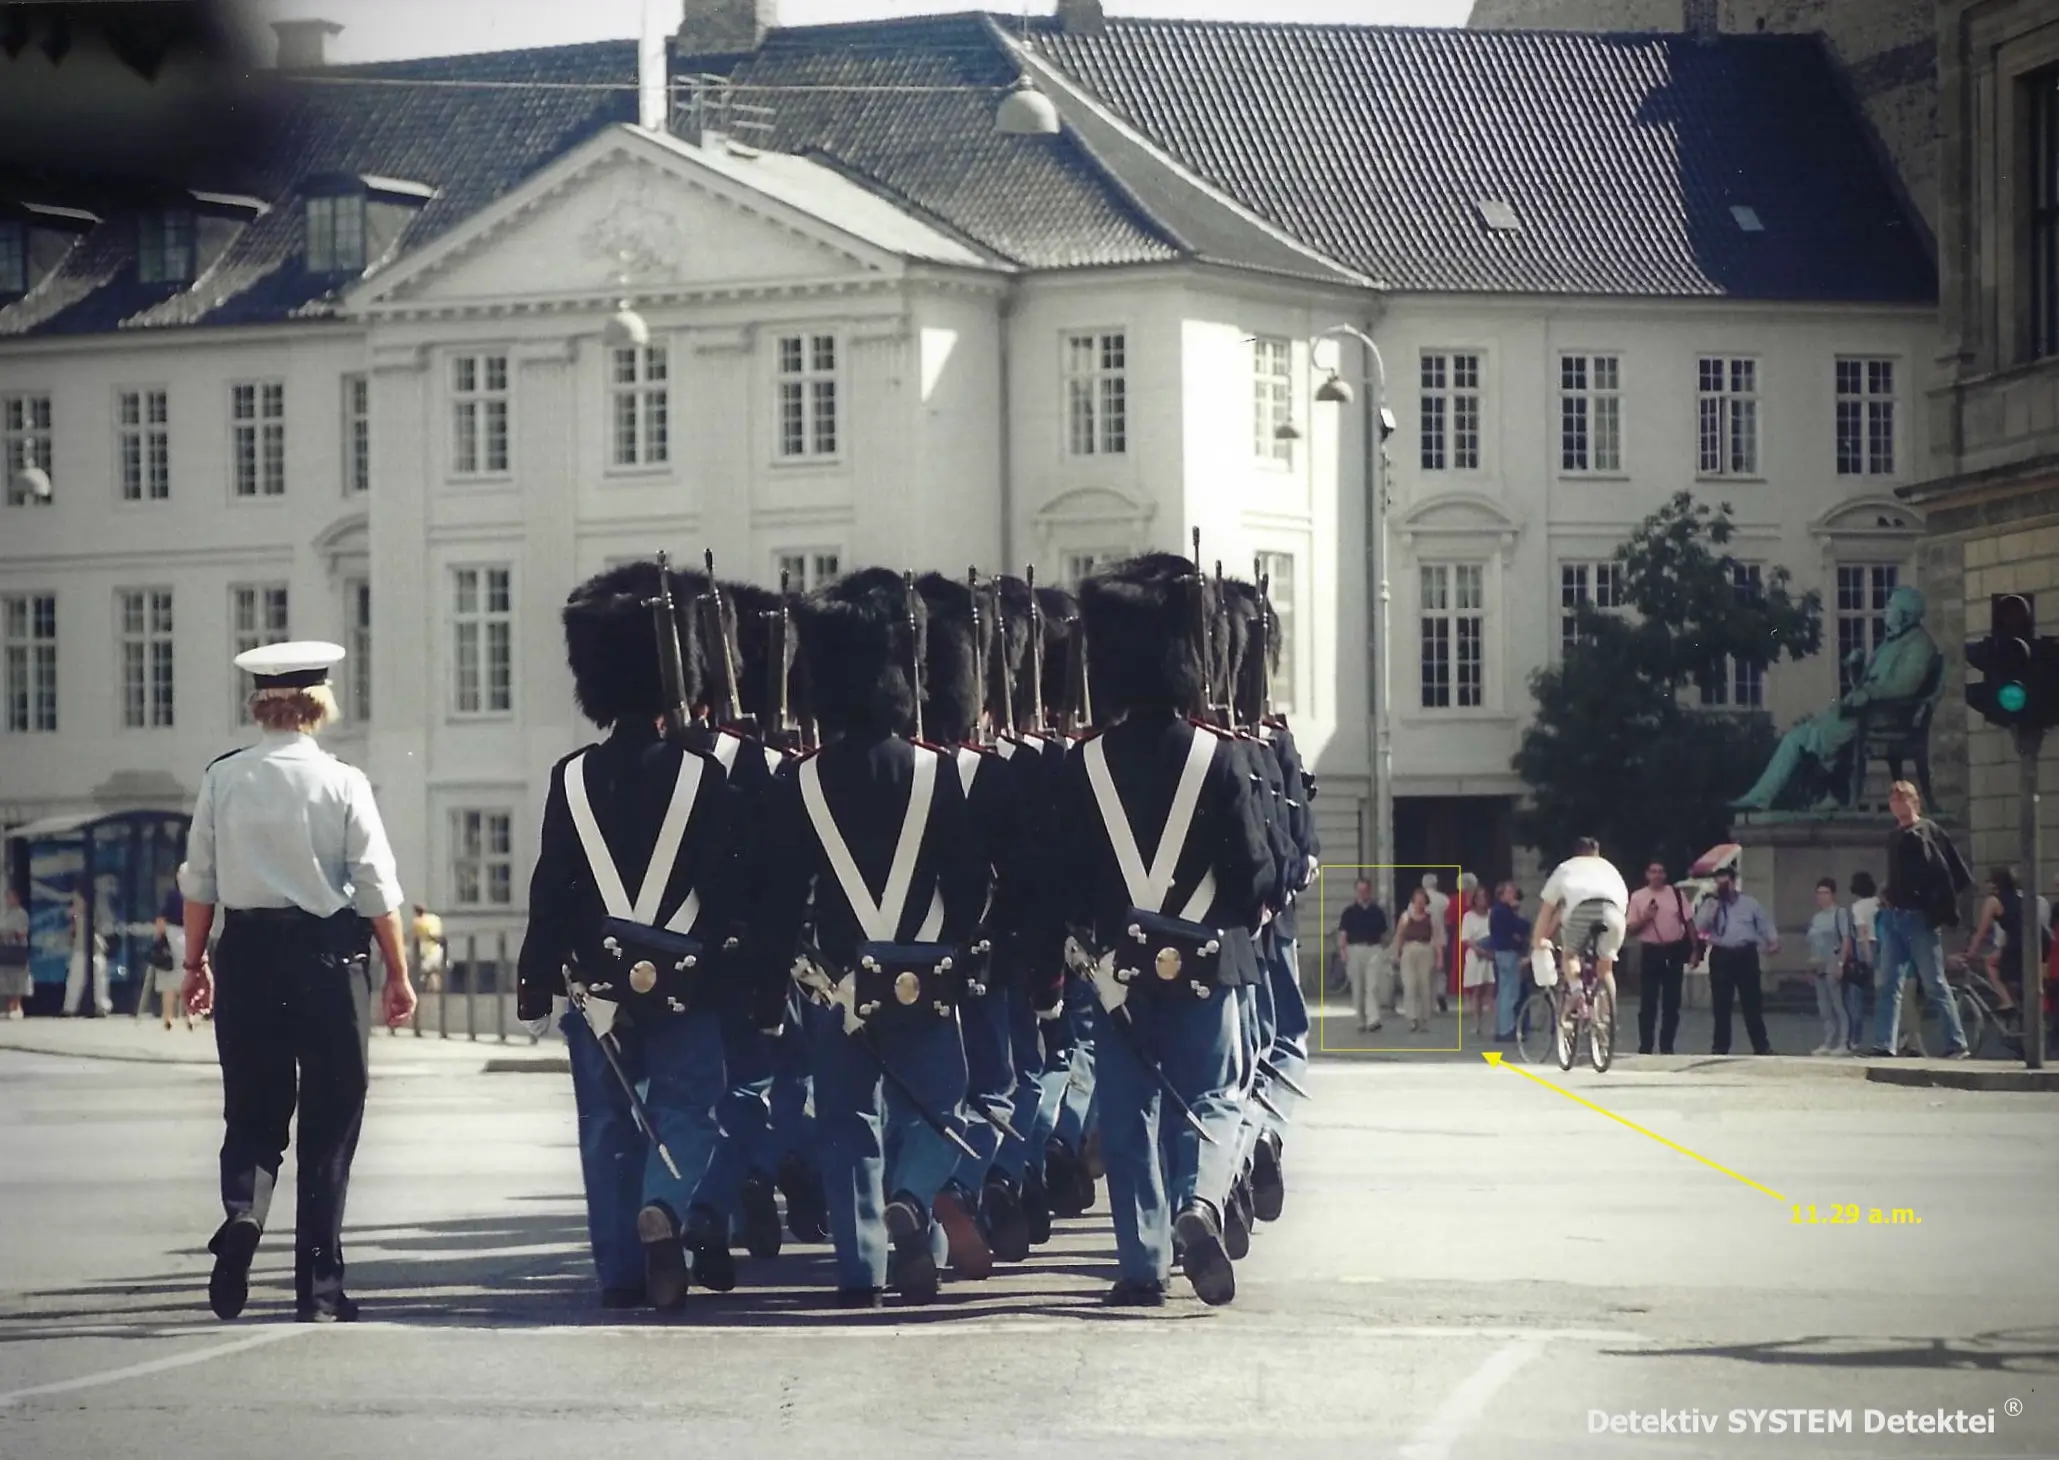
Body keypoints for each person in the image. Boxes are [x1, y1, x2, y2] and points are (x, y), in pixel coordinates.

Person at [754, 569, 990, 1307]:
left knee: (847, 1122)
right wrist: (953, 942)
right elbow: (969, 880)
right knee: (943, 1102)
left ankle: (861, 1268)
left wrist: (772, 981)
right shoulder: (935, 772)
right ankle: (914, 1199)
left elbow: (781, 893)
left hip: (837, 975)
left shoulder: (801, 781)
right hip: (924, 968)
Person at [516, 562, 739, 1312]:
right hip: (685, 976)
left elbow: (552, 885)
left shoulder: (571, 776)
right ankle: (665, 1206)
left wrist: (534, 974)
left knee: (606, 1121)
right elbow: (722, 888)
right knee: (688, 1105)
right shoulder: (702, 775)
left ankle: (618, 1270)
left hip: (596, 981)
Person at [1055, 553, 1271, 1308]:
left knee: (1128, 1113)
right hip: (1204, 958)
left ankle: (1140, 1263)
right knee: (1210, 1096)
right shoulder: (1221, 756)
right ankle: (1200, 1204)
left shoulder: (1083, 764)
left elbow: (1072, 876)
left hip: (1117, 967)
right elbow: (1249, 872)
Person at [179, 641, 414, 1324]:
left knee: (252, 1108)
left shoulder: (223, 778)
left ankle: (245, 1213)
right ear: (321, 703)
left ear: (259, 704)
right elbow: (376, 888)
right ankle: (319, 1287)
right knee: (332, 1118)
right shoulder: (343, 781)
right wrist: (397, 973)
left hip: (248, 951)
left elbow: (201, 883)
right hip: (327, 958)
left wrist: (195, 966)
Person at [1861, 781, 1973, 1059]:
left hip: (1919, 918)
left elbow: (1954, 874)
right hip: (1894, 916)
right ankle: (1884, 1044)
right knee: (1888, 984)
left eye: (1903, 799)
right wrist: (1888, 891)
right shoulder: (1894, 835)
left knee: (1934, 982)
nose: (1897, 804)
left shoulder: (1929, 830)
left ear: (1915, 802)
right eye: (1894, 800)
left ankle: (1957, 1044)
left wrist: (1935, 907)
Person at [1692, 864, 1779, 1056]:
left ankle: (1761, 1045)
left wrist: (1772, 941)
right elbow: (1699, 927)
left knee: (1752, 1002)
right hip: (1721, 954)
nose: (1722, 888)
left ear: (1733, 883)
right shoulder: (1710, 903)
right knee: (1721, 1003)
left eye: (1726, 884)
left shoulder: (1749, 903)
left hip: (1745, 954)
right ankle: (1720, 1046)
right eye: (1719, 884)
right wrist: (1711, 911)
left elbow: (1764, 923)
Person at [1531, 837, 1629, 1005]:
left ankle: (1577, 993)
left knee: (1570, 955)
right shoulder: (1610, 868)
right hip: (1614, 913)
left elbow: (1547, 909)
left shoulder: (1566, 867)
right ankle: (1607, 1020)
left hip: (1581, 910)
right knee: (1606, 969)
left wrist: (1538, 939)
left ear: (1576, 853)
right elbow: (1625, 901)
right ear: (1597, 853)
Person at [1627, 859, 1695, 1055]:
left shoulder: (1676, 894)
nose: (1657, 875)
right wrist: (1646, 917)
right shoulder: (1638, 897)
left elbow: (1689, 922)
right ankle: (1646, 1045)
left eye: (1661, 871)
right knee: (1648, 1001)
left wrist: (1694, 949)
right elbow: (1630, 929)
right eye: (1653, 871)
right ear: (1647, 875)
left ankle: (1667, 1046)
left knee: (1672, 1003)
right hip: (1650, 951)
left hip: (1673, 950)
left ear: (1665, 875)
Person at [1805, 877, 1853, 1056]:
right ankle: (1828, 1040)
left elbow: (1846, 939)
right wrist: (1809, 967)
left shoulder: (1839, 913)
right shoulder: (1816, 917)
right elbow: (1812, 943)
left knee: (1838, 1004)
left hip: (1833, 962)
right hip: (1818, 964)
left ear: (1832, 894)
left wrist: (1841, 963)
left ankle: (1843, 1041)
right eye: (1819, 893)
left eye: (1825, 892)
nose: (1821, 896)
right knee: (1824, 1006)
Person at [1968, 868, 2025, 1017]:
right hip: (2028, 940)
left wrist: (1971, 951)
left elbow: (1982, 930)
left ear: (1995, 884)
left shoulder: (1993, 901)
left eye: (1989, 882)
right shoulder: (2018, 897)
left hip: (2018, 941)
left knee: (1990, 963)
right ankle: (2017, 1007)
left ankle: (2007, 1001)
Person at [1336, 878, 1389, 1033]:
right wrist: (1343, 951)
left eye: (1365, 890)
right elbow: (1343, 934)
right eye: (1360, 890)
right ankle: (1360, 1019)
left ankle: (1373, 1019)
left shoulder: (1377, 911)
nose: (1362, 893)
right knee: (1358, 987)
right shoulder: (1349, 912)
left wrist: (1387, 952)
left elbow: (1384, 933)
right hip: (1355, 949)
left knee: (1372, 986)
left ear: (1369, 891)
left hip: (1374, 949)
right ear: (1356, 891)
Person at [1389, 886, 1438, 1033]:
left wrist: (1439, 956)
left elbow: (1437, 937)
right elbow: (1399, 935)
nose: (1420, 904)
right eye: (1417, 901)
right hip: (1409, 949)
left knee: (1425, 985)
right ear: (1413, 901)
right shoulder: (1406, 916)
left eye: (1422, 901)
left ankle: (1424, 1018)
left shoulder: (1431, 917)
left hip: (1426, 949)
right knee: (1410, 985)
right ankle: (1412, 1017)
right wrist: (1396, 953)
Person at [1488, 881, 1529, 1041]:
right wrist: (1517, 914)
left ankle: (1501, 1027)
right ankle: (1507, 1029)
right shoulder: (1504, 911)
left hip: (1502, 952)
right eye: (1510, 892)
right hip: (1507, 952)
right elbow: (1521, 926)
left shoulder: (1498, 911)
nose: (1513, 895)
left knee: (1504, 990)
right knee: (1510, 992)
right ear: (1502, 894)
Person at [1845, 870, 1880, 1054]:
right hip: (1882, 944)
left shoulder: (1858, 906)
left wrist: (1866, 956)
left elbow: (1862, 931)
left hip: (1864, 946)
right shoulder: (1878, 903)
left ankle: (1855, 1040)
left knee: (1856, 997)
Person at [152, 875, 192, 1031]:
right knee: (187, 980)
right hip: (188, 937)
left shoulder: (172, 895)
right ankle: (190, 1016)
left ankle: (168, 1017)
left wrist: (159, 940)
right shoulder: (193, 896)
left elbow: (161, 919)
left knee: (168, 981)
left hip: (170, 936)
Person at [63, 889, 110, 1017]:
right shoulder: (76, 915)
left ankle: (102, 1006)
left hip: (96, 948)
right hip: (80, 948)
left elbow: (105, 925)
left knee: (99, 978)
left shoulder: (97, 911)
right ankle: (69, 1007)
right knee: (75, 978)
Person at [1460, 882, 1494, 1037]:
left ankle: (1494, 1023)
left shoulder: (1492, 914)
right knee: (1477, 991)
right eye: (1479, 898)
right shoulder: (1468, 916)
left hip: (1490, 954)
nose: (1482, 900)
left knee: (1491, 991)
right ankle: (1477, 1024)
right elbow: (1466, 938)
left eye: (1484, 897)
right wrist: (1478, 950)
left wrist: (1489, 951)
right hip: (1476, 955)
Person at [1, 886, 31, 1019]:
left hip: (17, 949)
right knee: (6, 978)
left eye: (10, 897)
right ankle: (8, 1007)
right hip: (5, 949)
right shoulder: (4, 914)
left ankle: (17, 1006)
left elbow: (22, 932)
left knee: (19, 978)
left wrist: (9, 933)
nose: (8, 900)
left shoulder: (21, 914)